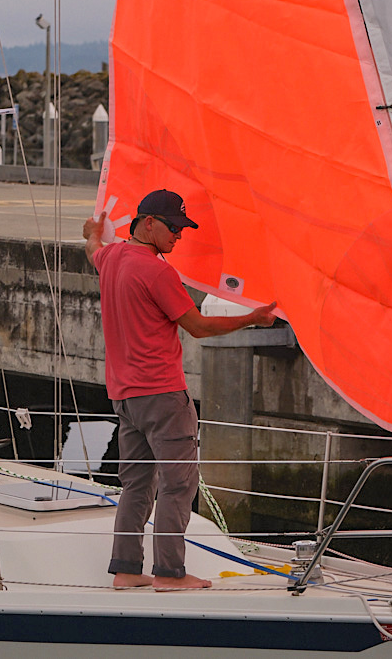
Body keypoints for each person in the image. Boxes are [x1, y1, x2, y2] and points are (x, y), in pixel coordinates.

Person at [83, 189, 276, 590]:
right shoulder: (158, 271)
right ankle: (169, 574)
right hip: (163, 396)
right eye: (173, 227)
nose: (179, 236)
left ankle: (126, 570)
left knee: (136, 484)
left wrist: (91, 233)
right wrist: (253, 318)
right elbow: (199, 326)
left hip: (124, 397)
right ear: (148, 223)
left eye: (182, 229)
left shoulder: (111, 258)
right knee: (179, 483)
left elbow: (94, 249)